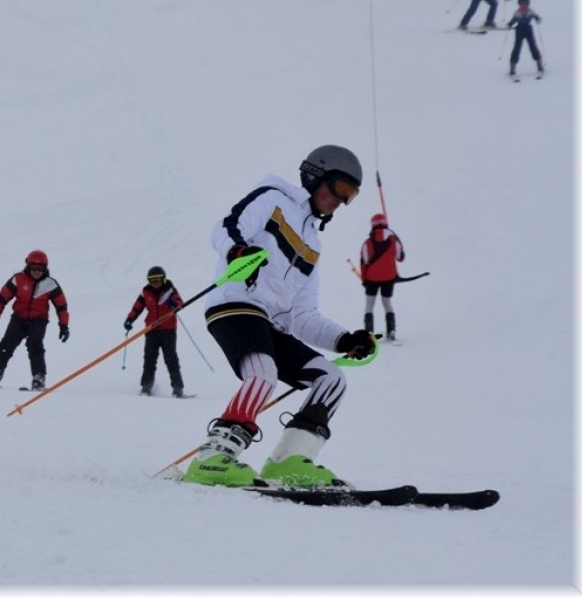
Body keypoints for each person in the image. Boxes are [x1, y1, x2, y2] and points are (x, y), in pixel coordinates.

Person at [180, 145, 377, 489]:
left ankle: (288, 462)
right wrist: (237, 250)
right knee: (262, 373)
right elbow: (226, 227)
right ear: (318, 175)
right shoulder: (274, 198)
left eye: (351, 196)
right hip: (234, 304)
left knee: (330, 378)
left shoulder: (312, 245)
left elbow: (302, 316)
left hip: (270, 322)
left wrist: (344, 340)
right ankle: (212, 458)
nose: (341, 201)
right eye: (340, 189)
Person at [0, 250, 70, 391]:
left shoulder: (50, 284)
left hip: (39, 320)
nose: (36, 272)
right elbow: (2, 299)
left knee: (35, 345)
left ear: (46, 268)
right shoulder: (18, 279)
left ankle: (38, 377)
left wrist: (64, 326)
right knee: (7, 344)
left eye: (40, 268)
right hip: (18, 318)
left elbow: (61, 306)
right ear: (28, 266)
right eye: (33, 268)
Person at [124, 266, 188, 397]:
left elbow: (179, 303)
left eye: (158, 280)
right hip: (152, 330)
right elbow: (137, 308)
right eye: (152, 281)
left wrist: (174, 305)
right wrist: (130, 320)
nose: (156, 283)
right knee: (149, 359)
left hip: (168, 331)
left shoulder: (170, 291)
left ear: (163, 279)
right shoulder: (145, 292)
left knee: (171, 359)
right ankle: (146, 386)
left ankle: (177, 388)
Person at [360, 213, 406, 341]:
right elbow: (400, 257)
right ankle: (391, 330)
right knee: (387, 302)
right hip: (389, 277)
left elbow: (364, 261)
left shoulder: (367, 242)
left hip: (371, 278)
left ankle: (369, 332)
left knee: (370, 304)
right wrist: (396, 238)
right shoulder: (393, 240)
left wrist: (364, 279)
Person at [506, 0, 544, 79]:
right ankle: (512, 68)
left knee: (533, 47)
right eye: (521, 3)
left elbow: (536, 17)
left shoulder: (530, 11)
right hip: (519, 31)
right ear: (519, 3)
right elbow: (513, 20)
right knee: (516, 48)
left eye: (525, 3)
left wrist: (538, 19)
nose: (523, 5)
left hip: (528, 30)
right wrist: (510, 24)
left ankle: (539, 65)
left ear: (528, 3)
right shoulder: (517, 12)